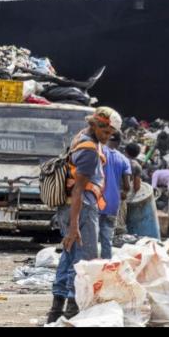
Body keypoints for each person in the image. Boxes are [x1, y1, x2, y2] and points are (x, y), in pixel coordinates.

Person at [47, 106, 120, 324]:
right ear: (95, 125)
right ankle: (72, 310)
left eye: (111, 134)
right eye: (105, 132)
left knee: (68, 256)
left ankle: (55, 311)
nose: (108, 137)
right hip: (81, 209)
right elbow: (79, 189)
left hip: (70, 208)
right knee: (83, 261)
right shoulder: (89, 150)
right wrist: (74, 226)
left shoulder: (81, 136)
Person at [98, 130, 131, 259]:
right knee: (107, 237)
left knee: (92, 235)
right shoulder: (123, 160)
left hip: (97, 200)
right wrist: (123, 193)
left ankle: (89, 265)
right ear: (119, 142)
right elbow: (127, 186)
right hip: (113, 203)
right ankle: (105, 264)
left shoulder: (99, 153)